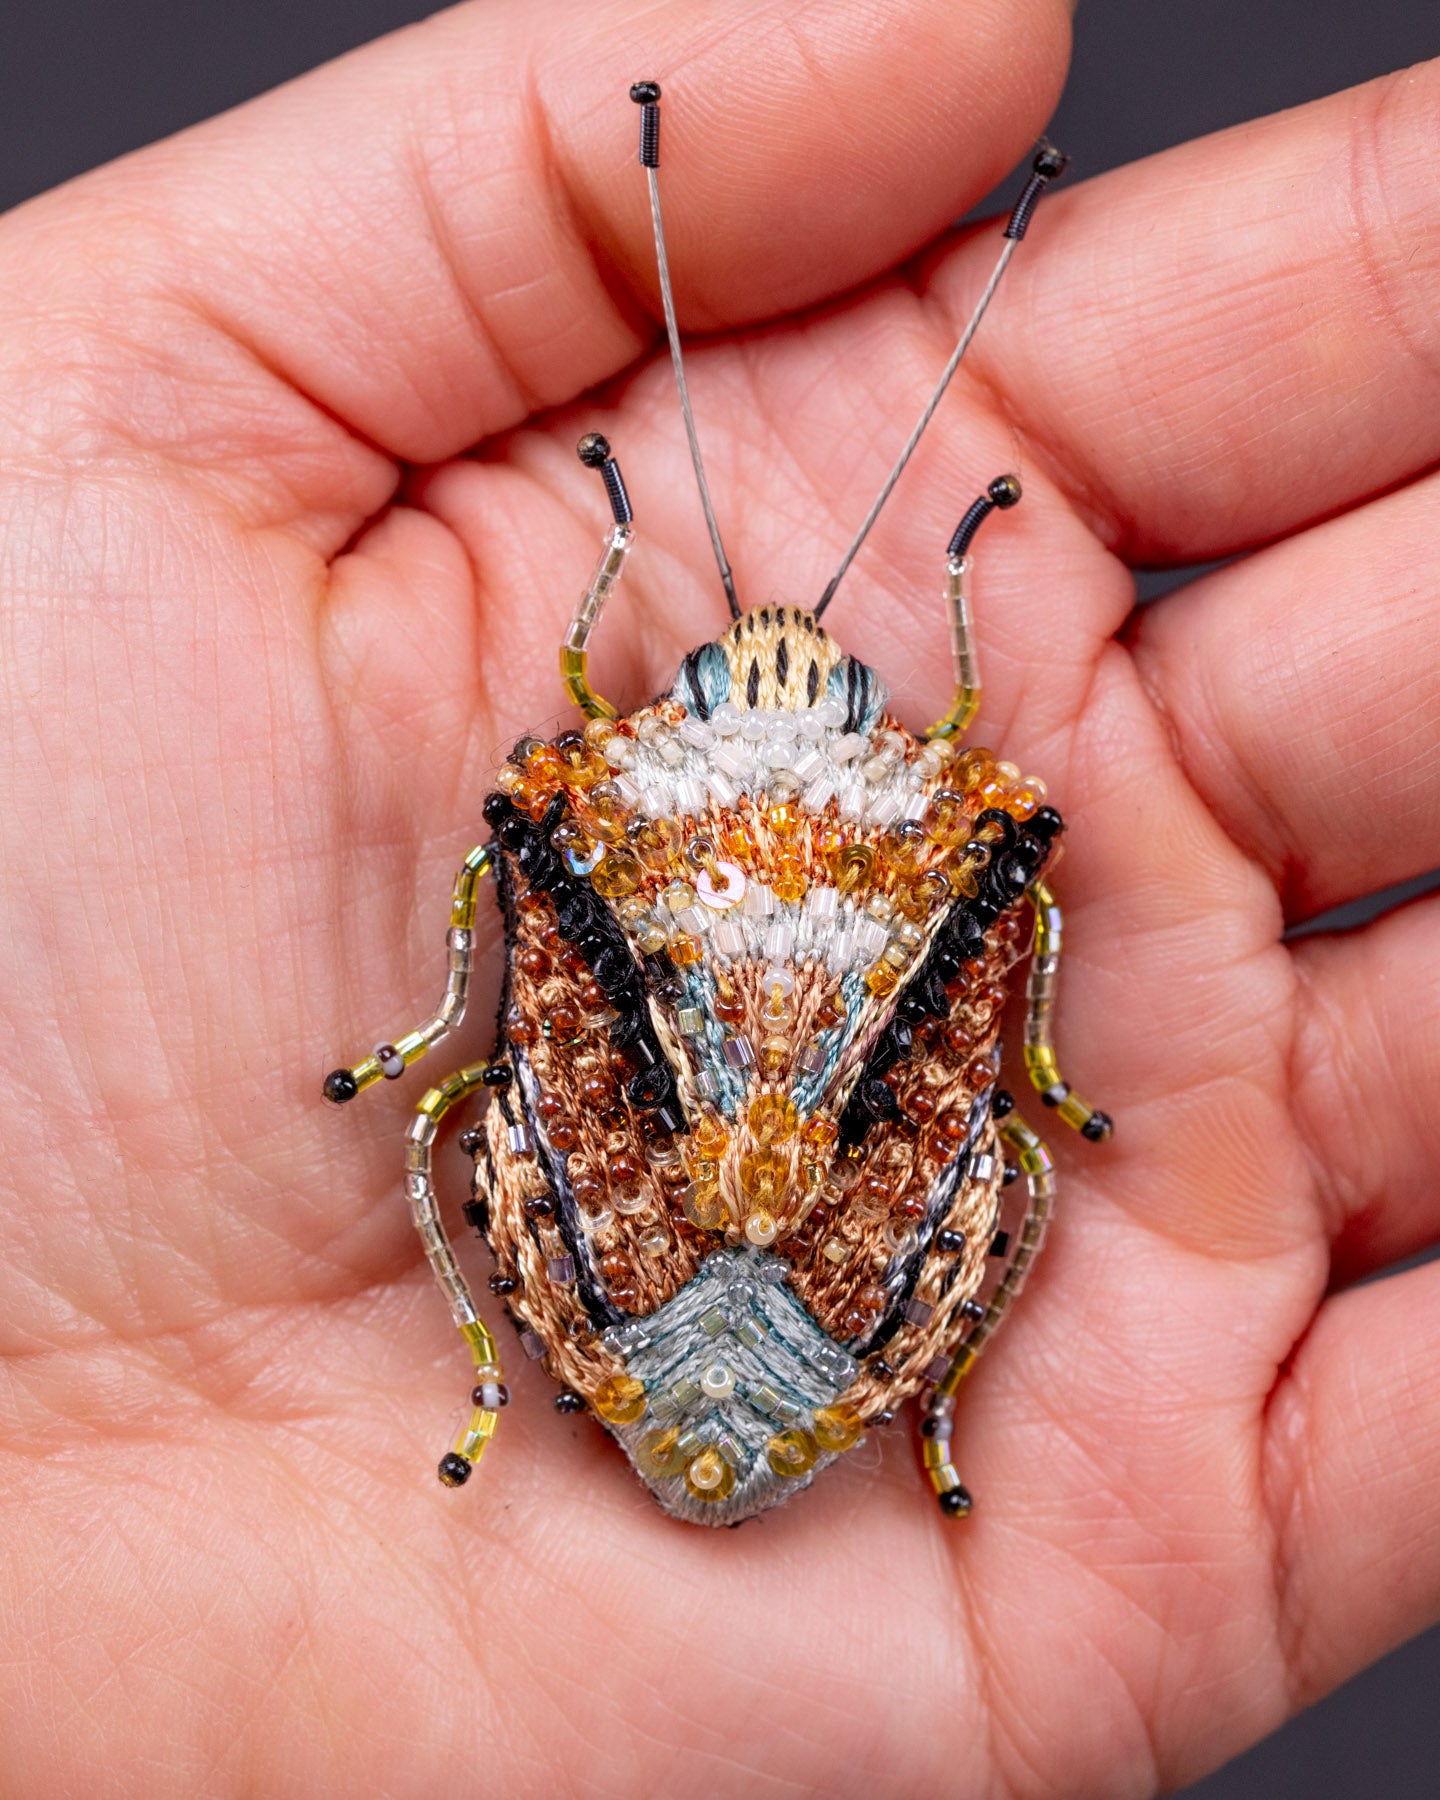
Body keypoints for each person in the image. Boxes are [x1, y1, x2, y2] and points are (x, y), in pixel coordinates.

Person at [2, 0, 1437, 1791]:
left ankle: (815, 1402)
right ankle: (726, 1398)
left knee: (535, 1105)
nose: (764, 670)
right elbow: (980, 873)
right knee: (951, 1141)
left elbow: (626, 799)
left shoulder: (633, 795)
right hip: (741, 1272)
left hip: (674, 1267)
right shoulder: (921, 814)